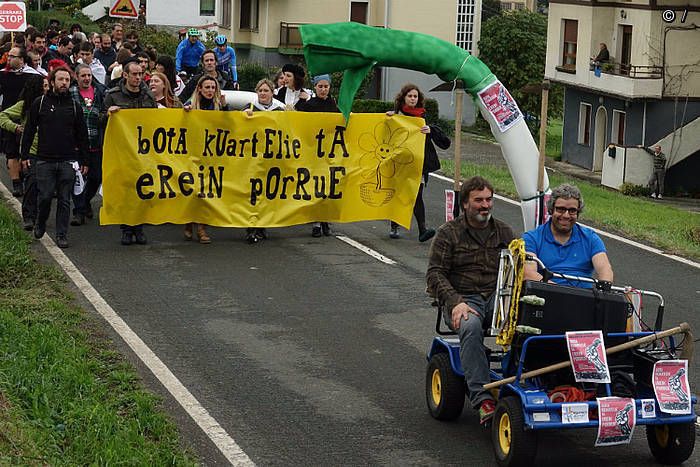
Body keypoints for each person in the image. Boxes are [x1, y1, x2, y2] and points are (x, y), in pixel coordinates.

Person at [426, 176, 515, 425]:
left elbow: (522, 265)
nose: (485, 205)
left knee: (530, 320)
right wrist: (455, 302)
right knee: (470, 325)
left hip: (497, 299)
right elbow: (434, 273)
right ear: (465, 203)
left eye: (488, 199)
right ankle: (482, 398)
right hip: (464, 299)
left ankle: (522, 381)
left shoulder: (505, 231)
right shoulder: (448, 233)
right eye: (478, 200)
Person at [20, 66, 89, 249]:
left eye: (67, 80)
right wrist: (24, 155)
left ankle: (61, 234)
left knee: (65, 199)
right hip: (44, 160)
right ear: (52, 82)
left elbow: (82, 135)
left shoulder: (74, 106)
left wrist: (84, 160)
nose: (64, 83)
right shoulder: (40, 103)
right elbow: (29, 130)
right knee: (45, 197)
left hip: (68, 160)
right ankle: (40, 222)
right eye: (60, 79)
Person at [103, 60, 157, 246]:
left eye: (140, 74)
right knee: (126, 189)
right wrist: (108, 114)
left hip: (142, 151)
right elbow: (101, 121)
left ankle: (139, 227)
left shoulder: (148, 96)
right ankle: (126, 228)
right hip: (122, 150)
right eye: (134, 74)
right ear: (125, 75)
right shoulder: (113, 96)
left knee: (142, 189)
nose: (138, 78)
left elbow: (155, 123)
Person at [387, 83, 449, 242]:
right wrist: (387, 119)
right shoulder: (395, 115)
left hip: (417, 164)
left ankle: (422, 229)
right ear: (404, 97)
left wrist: (430, 130)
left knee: (416, 195)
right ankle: (394, 225)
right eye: (410, 96)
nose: (412, 99)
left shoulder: (423, 117)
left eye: (415, 96)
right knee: (399, 194)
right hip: (399, 163)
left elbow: (444, 141)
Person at [523, 183, 613, 287]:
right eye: (561, 209)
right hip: (546, 296)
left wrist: (605, 287)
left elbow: (605, 269)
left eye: (572, 211)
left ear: (578, 213)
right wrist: (563, 293)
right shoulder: (531, 238)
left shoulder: (590, 238)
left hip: (584, 298)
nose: (566, 215)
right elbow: (528, 273)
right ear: (551, 210)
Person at [182, 75, 227, 244]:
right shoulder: (191, 105)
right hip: (192, 154)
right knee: (192, 191)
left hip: (212, 156)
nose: (210, 90)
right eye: (206, 87)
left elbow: (230, 123)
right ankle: (188, 221)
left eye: (212, 87)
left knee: (206, 191)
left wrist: (225, 105)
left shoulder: (218, 107)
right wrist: (185, 112)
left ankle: (201, 228)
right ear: (200, 89)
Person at [0, 75, 48, 230]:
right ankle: (29, 216)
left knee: (46, 187)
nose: (48, 89)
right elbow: (2, 115)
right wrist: (16, 127)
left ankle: (40, 215)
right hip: (31, 150)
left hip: (50, 150)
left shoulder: (52, 102)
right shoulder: (24, 105)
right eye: (45, 86)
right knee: (32, 183)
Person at [295, 74, 339, 237]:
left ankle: (325, 220)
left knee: (327, 186)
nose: (323, 89)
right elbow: (296, 116)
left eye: (326, 86)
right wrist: (302, 100)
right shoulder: (310, 104)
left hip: (328, 151)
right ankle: (315, 222)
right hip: (313, 151)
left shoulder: (333, 103)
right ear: (315, 87)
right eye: (320, 86)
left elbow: (342, 120)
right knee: (315, 186)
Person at [244, 78, 285, 244]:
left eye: (266, 90)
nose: (263, 93)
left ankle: (262, 225)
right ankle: (250, 227)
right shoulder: (249, 108)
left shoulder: (280, 111)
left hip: (271, 159)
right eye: (260, 90)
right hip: (252, 159)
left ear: (272, 92)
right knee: (252, 194)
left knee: (267, 193)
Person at [69, 64, 106, 226]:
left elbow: (103, 114)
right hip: (76, 145)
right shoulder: (71, 93)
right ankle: (78, 212)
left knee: (96, 177)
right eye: (83, 75)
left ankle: (84, 202)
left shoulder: (100, 93)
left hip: (95, 143)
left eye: (89, 75)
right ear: (76, 77)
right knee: (77, 179)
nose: (86, 78)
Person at [0, 46, 38, 196]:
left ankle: (26, 177)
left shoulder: (34, 76)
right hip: (9, 116)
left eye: (12, 56)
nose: (8, 59)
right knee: (11, 151)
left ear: (21, 59)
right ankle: (16, 184)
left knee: (27, 151)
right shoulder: (3, 75)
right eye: (8, 56)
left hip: (27, 117)